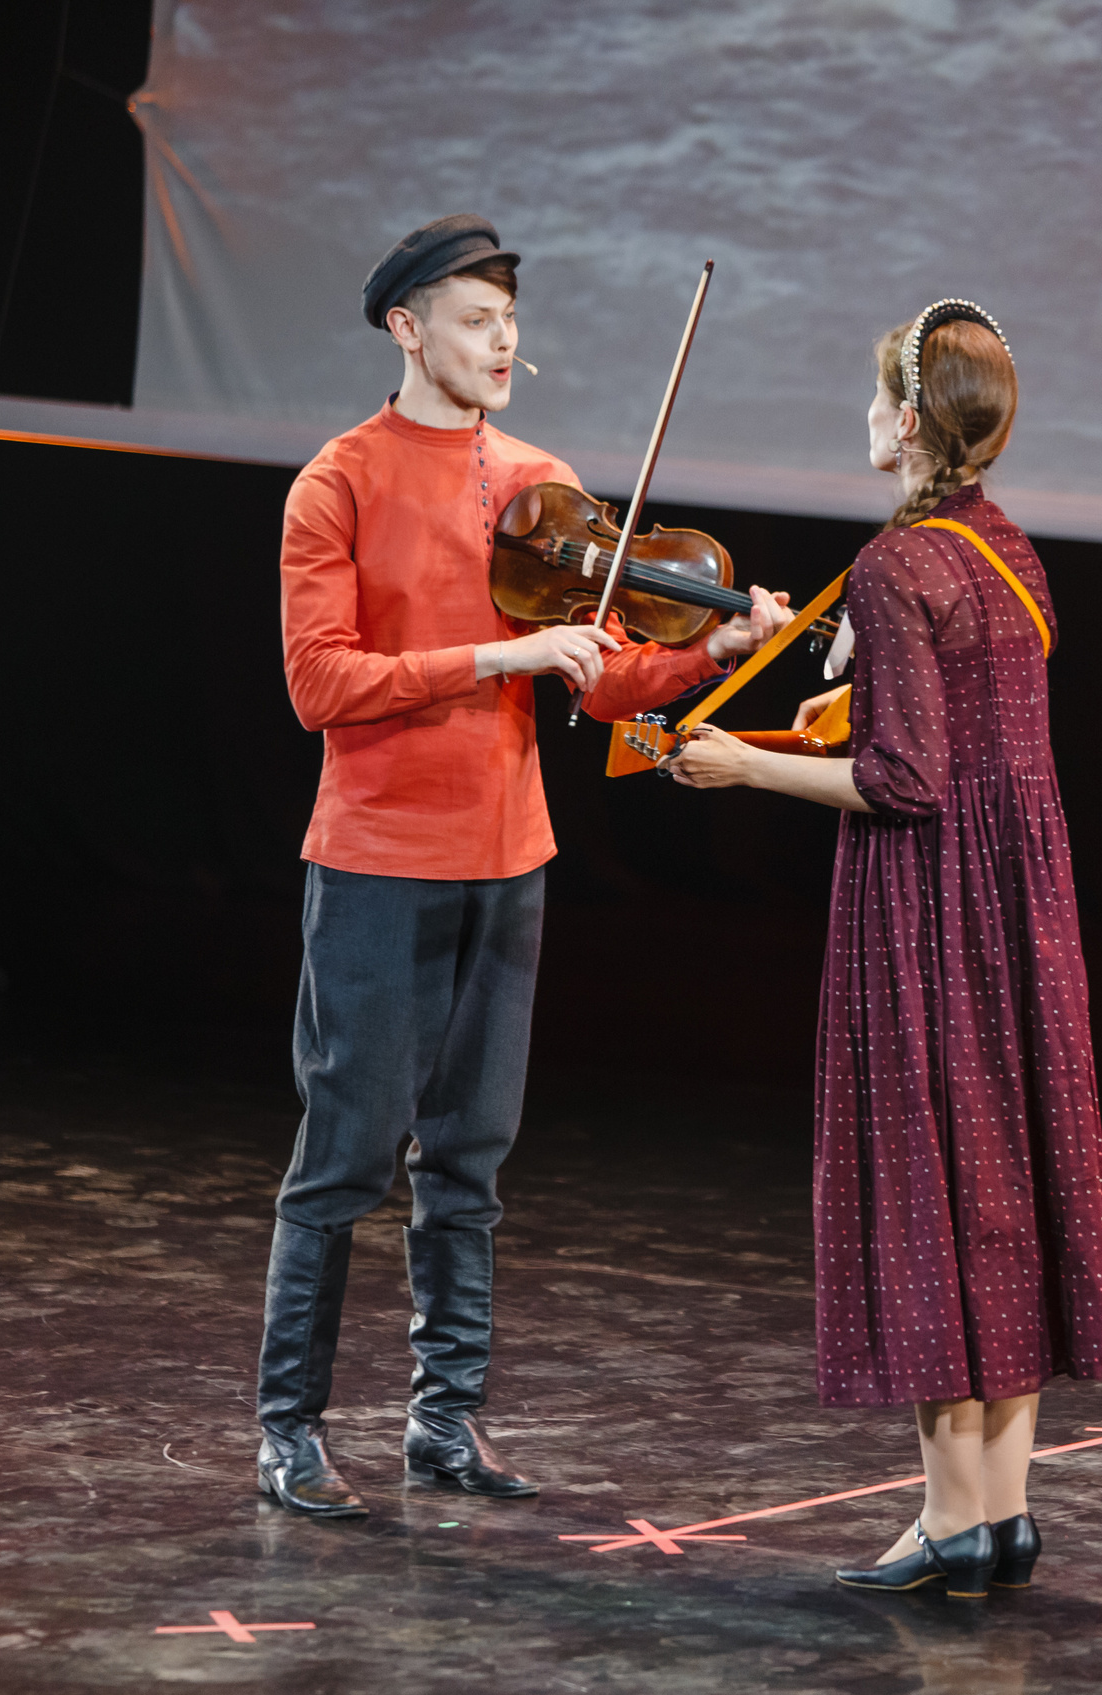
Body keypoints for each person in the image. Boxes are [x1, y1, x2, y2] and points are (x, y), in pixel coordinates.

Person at [257, 215, 790, 1519]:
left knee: (473, 1161)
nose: (504, 343)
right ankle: (289, 1430)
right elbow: (320, 684)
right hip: (379, 864)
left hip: (508, 863)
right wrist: (495, 659)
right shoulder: (338, 482)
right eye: (479, 319)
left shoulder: (541, 487)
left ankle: (447, 1423)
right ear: (407, 327)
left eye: (512, 323)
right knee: (347, 1157)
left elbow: (606, 682)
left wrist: (712, 653)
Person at [664, 300, 1102, 1596]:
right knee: (1007, 1183)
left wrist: (747, 761)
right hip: (1023, 913)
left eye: (875, 399)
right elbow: (966, 716)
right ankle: (1001, 1512)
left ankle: (944, 1520)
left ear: (911, 423)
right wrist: (854, 703)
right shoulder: (1010, 551)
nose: (863, 419)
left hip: (928, 911)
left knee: (932, 1185)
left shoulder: (891, 567)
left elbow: (912, 786)